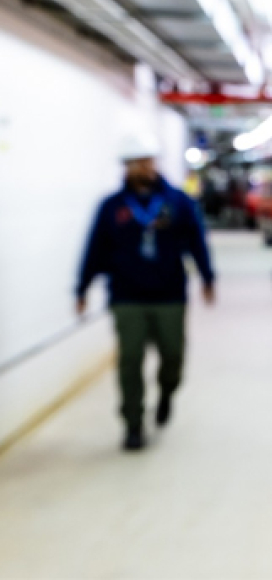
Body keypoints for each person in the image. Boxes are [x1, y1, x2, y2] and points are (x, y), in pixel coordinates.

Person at [76, 133, 216, 451]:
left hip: (169, 295)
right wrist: (82, 287)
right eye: (138, 162)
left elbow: (196, 240)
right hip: (127, 297)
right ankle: (133, 424)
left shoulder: (178, 202)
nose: (145, 167)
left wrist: (208, 277)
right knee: (130, 361)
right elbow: (95, 249)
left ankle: (167, 392)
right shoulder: (112, 208)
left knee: (173, 357)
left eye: (148, 161)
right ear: (127, 167)